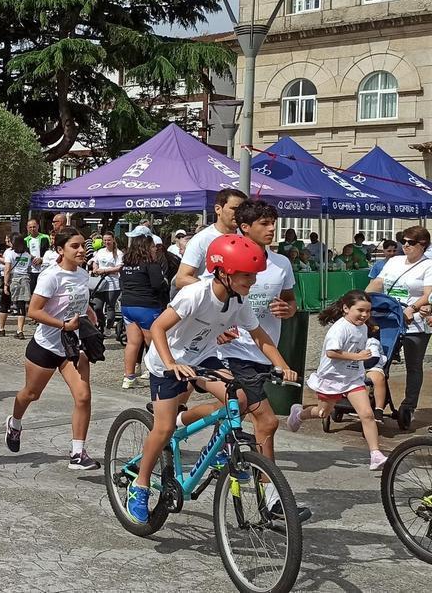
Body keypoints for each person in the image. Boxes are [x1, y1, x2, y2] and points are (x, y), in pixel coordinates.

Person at [123, 234, 297, 525]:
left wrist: (282, 365)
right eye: (245, 276)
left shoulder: (238, 300)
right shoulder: (196, 294)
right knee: (163, 429)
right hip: (168, 359)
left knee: (239, 399)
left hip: (203, 357)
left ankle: (211, 443)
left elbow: (259, 335)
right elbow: (157, 327)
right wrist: (171, 364)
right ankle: (139, 486)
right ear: (222, 272)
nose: (251, 282)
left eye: (254, 276)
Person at [209, 200, 304, 516]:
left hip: (265, 351)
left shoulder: (281, 264)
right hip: (232, 353)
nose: (272, 228)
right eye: (264, 223)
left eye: (274, 222)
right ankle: (273, 499)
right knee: (266, 419)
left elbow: (291, 301)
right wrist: (215, 329)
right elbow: (200, 297)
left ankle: (207, 430)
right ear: (244, 227)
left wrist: (288, 309)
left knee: (239, 413)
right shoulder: (226, 256)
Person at [4, 228, 101, 471]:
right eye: (75, 246)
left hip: (72, 346)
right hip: (46, 345)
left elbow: (79, 300)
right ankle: (15, 424)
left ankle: (78, 452)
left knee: (83, 395)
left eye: (82, 246)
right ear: (60, 250)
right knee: (31, 394)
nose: (81, 250)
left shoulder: (81, 274)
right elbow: (33, 311)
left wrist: (88, 312)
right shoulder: (51, 276)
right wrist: (62, 324)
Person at [285, 291, 387, 470]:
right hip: (332, 378)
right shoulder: (339, 328)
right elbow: (331, 352)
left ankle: (375, 454)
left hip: (353, 379)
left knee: (367, 414)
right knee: (323, 413)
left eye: (368, 311)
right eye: (360, 310)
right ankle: (299, 414)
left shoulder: (362, 327)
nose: (364, 315)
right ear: (346, 308)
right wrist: (357, 357)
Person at [366, 225, 432, 423]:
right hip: (388, 318)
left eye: (410, 242)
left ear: (423, 245)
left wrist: (411, 308)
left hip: (415, 321)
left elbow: (428, 294)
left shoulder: (428, 265)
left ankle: (409, 405)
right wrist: (362, 298)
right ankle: (374, 397)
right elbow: (378, 283)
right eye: (403, 241)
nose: (405, 245)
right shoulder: (394, 261)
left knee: (413, 365)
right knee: (378, 358)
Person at [118, 235, 168, 389]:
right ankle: (157, 375)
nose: (155, 249)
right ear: (146, 248)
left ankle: (129, 377)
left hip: (127, 306)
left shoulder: (125, 265)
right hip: (146, 306)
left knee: (132, 343)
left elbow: (122, 283)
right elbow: (158, 284)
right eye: (153, 247)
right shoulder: (151, 264)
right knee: (154, 342)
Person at [175, 189, 246, 289]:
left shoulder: (245, 238)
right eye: (234, 209)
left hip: (239, 302)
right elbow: (181, 279)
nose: (239, 214)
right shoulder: (202, 239)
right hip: (210, 302)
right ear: (218, 209)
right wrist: (218, 288)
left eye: (242, 210)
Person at [0, 236, 31, 339]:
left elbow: (7, 270)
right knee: (21, 305)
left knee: (5, 303)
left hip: (13, 279)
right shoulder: (27, 255)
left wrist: (6, 284)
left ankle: (1, 328)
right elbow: (28, 268)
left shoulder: (10, 254)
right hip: (24, 279)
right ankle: (20, 330)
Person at [90, 231, 123, 334]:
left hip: (113, 284)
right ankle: (101, 324)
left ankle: (108, 327)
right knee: (97, 306)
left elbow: (119, 267)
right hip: (100, 283)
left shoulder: (118, 253)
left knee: (110, 306)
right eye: (105, 240)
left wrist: (105, 270)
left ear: (113, 240)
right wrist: (95, 267)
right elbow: (95, 261)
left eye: (109, 240)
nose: (107, 242)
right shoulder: (100, 252)